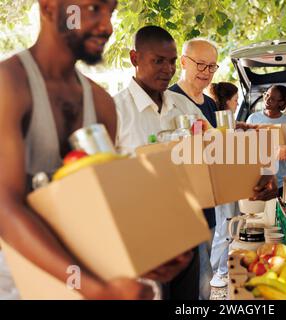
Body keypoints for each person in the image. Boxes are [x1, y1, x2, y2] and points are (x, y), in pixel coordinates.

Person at [0, 0, 191, 300]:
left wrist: (153, 249)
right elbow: (5, 208)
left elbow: (102, 205)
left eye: (110, 12)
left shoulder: (101, 103)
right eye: (92, 9)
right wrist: (96, 289)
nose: (107, 26)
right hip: (20, 286)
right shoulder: (9, 85)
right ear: (49, 7)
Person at [114, 26, 213, 300]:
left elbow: (215, 143)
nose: (168, 69)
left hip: (186, 229)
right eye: (158, 61)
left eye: (171, 61)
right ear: (134, 58)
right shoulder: (115, 112)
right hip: (141, 237)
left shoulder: (183, 106)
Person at [169, 39, 220, 299]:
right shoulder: (169, 101)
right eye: (200, 64)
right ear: (183, 62)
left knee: (206, 276)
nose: (206, 72)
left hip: (209, 207)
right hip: (181, 209)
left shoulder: (210, 104)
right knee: (192, 282)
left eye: (212, 66)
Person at [206, 82, 240, 288]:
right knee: (223, 229)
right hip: (222, 183)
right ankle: (211, 272)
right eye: (235, 101)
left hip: (230, 182)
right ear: (227, 101)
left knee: (230, 227)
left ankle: (222, 270)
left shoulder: (229, 120)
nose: (237, 104)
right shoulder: (221, 121)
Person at [246, 85, 286, 193]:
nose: (267, 100)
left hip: (281, 181)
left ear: (281, 103)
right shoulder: (253, 118)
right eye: (266, 95)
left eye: (272, 98)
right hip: (258, 180)